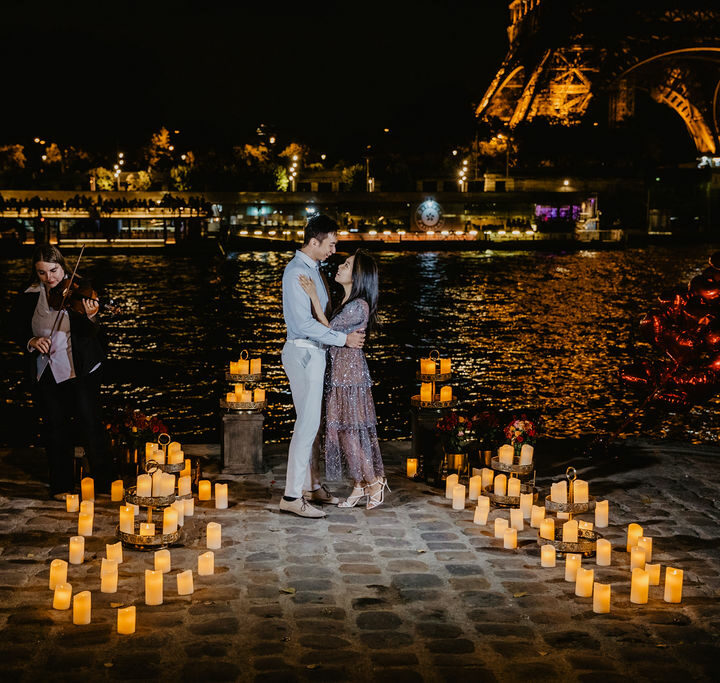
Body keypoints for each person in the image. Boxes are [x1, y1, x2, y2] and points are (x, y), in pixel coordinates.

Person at [280, 215, 366, 518]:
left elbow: (320, 314)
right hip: (304, 352)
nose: (333, 250)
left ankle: (310, 486)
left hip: (314, 353)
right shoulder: (295, 274)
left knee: (310, 425)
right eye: (330, 244)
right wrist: (342, 339)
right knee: (306, 425)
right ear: (314, 241)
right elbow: (303, 324)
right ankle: (292, 496)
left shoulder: (312, 270)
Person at [9, 245, 110, 499]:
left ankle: (106, 481)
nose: (49, 278)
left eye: (53, 271)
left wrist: (91, 316)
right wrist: (31, 341)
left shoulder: (79, 289)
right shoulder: (28, 294)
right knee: (55, 427)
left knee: (89, 423)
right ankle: (62, 485)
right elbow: (12, 327)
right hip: (47, 371)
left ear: (62, 266)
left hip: (81, 368)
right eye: (42, 273)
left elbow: (90, 335)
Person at [299, 249, 388, 509]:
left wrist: (314, 296)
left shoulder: (358, 306)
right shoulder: (347, 304)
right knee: (344, 433)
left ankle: (374, 481)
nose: (340, 266)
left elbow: (327, 332)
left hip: (349, 378)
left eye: (347, 265)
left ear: (357, 276)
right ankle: (359, 484)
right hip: (340, 376)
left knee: (350, 432)